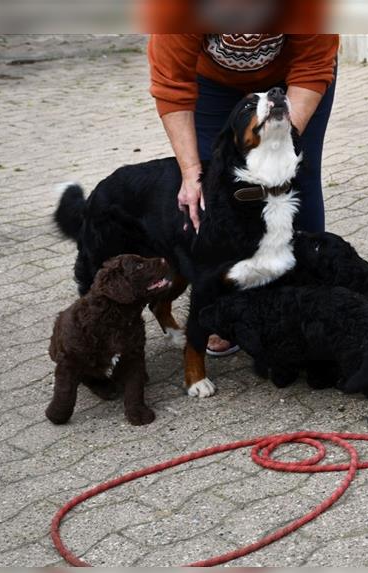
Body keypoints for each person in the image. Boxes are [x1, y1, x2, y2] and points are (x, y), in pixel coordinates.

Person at [148, 34, 339, 355]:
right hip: (210, 83)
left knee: (294, 176)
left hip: (293, 73)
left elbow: (311, 65)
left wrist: (282, 145)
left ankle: (308, 303)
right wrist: (191, 172)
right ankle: (230, 311)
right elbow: (172, 87)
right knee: (218, 185)